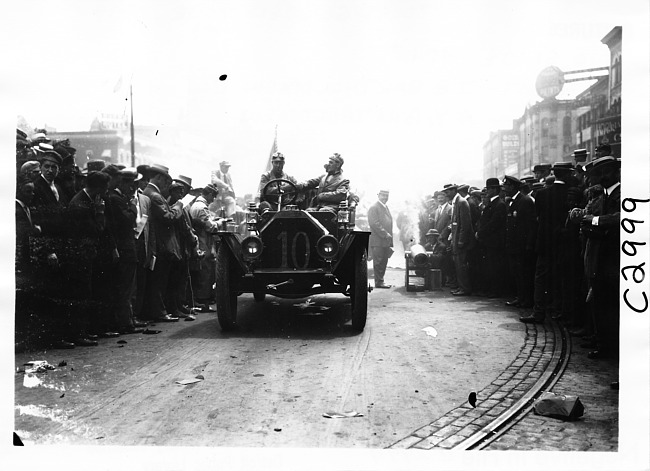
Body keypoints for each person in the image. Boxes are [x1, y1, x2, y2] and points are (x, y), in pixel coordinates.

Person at [580, 156, 620, 360]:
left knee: (612, 306)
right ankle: (605, 346)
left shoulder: (622, 194)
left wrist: (594, 220)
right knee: (601, 304)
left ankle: (611, 348)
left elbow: (619, 218)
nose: (601, 177)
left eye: (605, 172)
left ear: (614, 172)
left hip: (615, 259)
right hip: (600, 259)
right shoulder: (603, 196)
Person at [521, 163, 572, 324]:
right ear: (566, 175)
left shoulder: (542, 194)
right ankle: (561, 313)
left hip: (544, 242)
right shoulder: (570, 193)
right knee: (563, 278)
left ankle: (539, 313)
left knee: (541, 278)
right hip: (564, 242)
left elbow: (537, 218)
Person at [142, 163, 184, 323]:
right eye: (165, 180)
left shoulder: (148, 193)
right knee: (159, 280)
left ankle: (158, 310)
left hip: (155, 242)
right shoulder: (156, 196)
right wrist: (178, 207)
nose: (166, 185)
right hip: (162, 244)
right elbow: (168, 217)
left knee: (156, 280)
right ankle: (159, 312)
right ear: (159, 177)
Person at [501, 176, 536, 309]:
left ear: (513, 187)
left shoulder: (525, 201)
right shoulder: (512, 202)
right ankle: (520, 297)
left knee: (524, 274)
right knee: (516, 274)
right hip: (513, 246)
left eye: (507, 186)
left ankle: (526, 300)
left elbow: (531, 225)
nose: (504, 189)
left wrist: (528, 245)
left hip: (522, 246)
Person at [189, 184, 222, 310]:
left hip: (202, 241)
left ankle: (202, 298)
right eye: (213, 196)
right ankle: (203, 300)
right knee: (205, 272)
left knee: (204, 271)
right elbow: (210, 227)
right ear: (208, 194)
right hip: (204, 242)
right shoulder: (202, 207)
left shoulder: (196, 206)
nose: (213, 199)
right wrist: (219, 222)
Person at [476, 178, 507, 298]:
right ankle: (491, 289)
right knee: (490, 266)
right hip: (489, 241)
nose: (487, 191)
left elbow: (493, 223)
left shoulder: (499, 204)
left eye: (489, 189)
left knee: (494, 267)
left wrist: (480, 233)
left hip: (495, 242)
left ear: (495, 189)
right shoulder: (492, 203)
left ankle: (495, 291)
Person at [443, 183, 474, 296]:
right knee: (458, 265)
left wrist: (461, 241)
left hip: (461, 241)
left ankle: (465, 288)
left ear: (454, 190)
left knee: (461, 265)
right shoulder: (457, 202)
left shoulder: (461, 202)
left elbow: (465, 225)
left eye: (448, 191)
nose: (446, 194)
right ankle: (461, 287)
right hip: (456, 240)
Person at [367, 190, 393, 289]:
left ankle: (380, 281)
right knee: (379, 261)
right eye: (383, 196)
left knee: (383, 261)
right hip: (378, 240)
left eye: (387, 196)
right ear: (378, 195)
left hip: (384, 240)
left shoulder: (385, 207)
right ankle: (379, 282)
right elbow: (374, 224)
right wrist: (385, 234)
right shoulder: (374, 207)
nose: (385, 198)